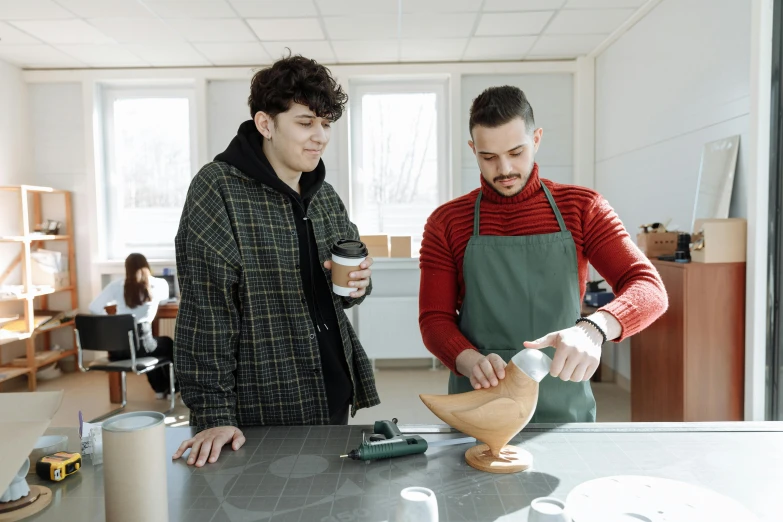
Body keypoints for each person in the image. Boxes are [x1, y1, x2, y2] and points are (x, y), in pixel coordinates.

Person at [172, 54, 379, 468]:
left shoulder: (324, 194)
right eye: (305, 123)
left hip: (333, 391)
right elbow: (206, 313)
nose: (320, 136)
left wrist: (360, 284)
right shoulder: (218, 189)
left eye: (326, 124)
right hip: (265, 402)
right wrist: (212, 414)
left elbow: (347, 284)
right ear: (266, 124)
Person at [418, 85, 668, 423]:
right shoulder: (447, 223)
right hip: (481, 402)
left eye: (516, 152)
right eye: (488, 157)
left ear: (536, 139)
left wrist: (592, 329)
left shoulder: (582, 208)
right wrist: (467, 359)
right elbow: (434, 319)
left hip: (563, 403)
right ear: (472, 149)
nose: (504, 169)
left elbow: (649, 288)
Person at [88, 253, 176, 399]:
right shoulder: (159, 284)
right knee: (166, 344)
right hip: (142, 344)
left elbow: (93, 307)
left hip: (118, 349)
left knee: (151, 348)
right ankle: (171, 388)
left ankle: (160, 389)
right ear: (147, 266)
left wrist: (113, 322)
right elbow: (164, 300)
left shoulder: (116, 285)